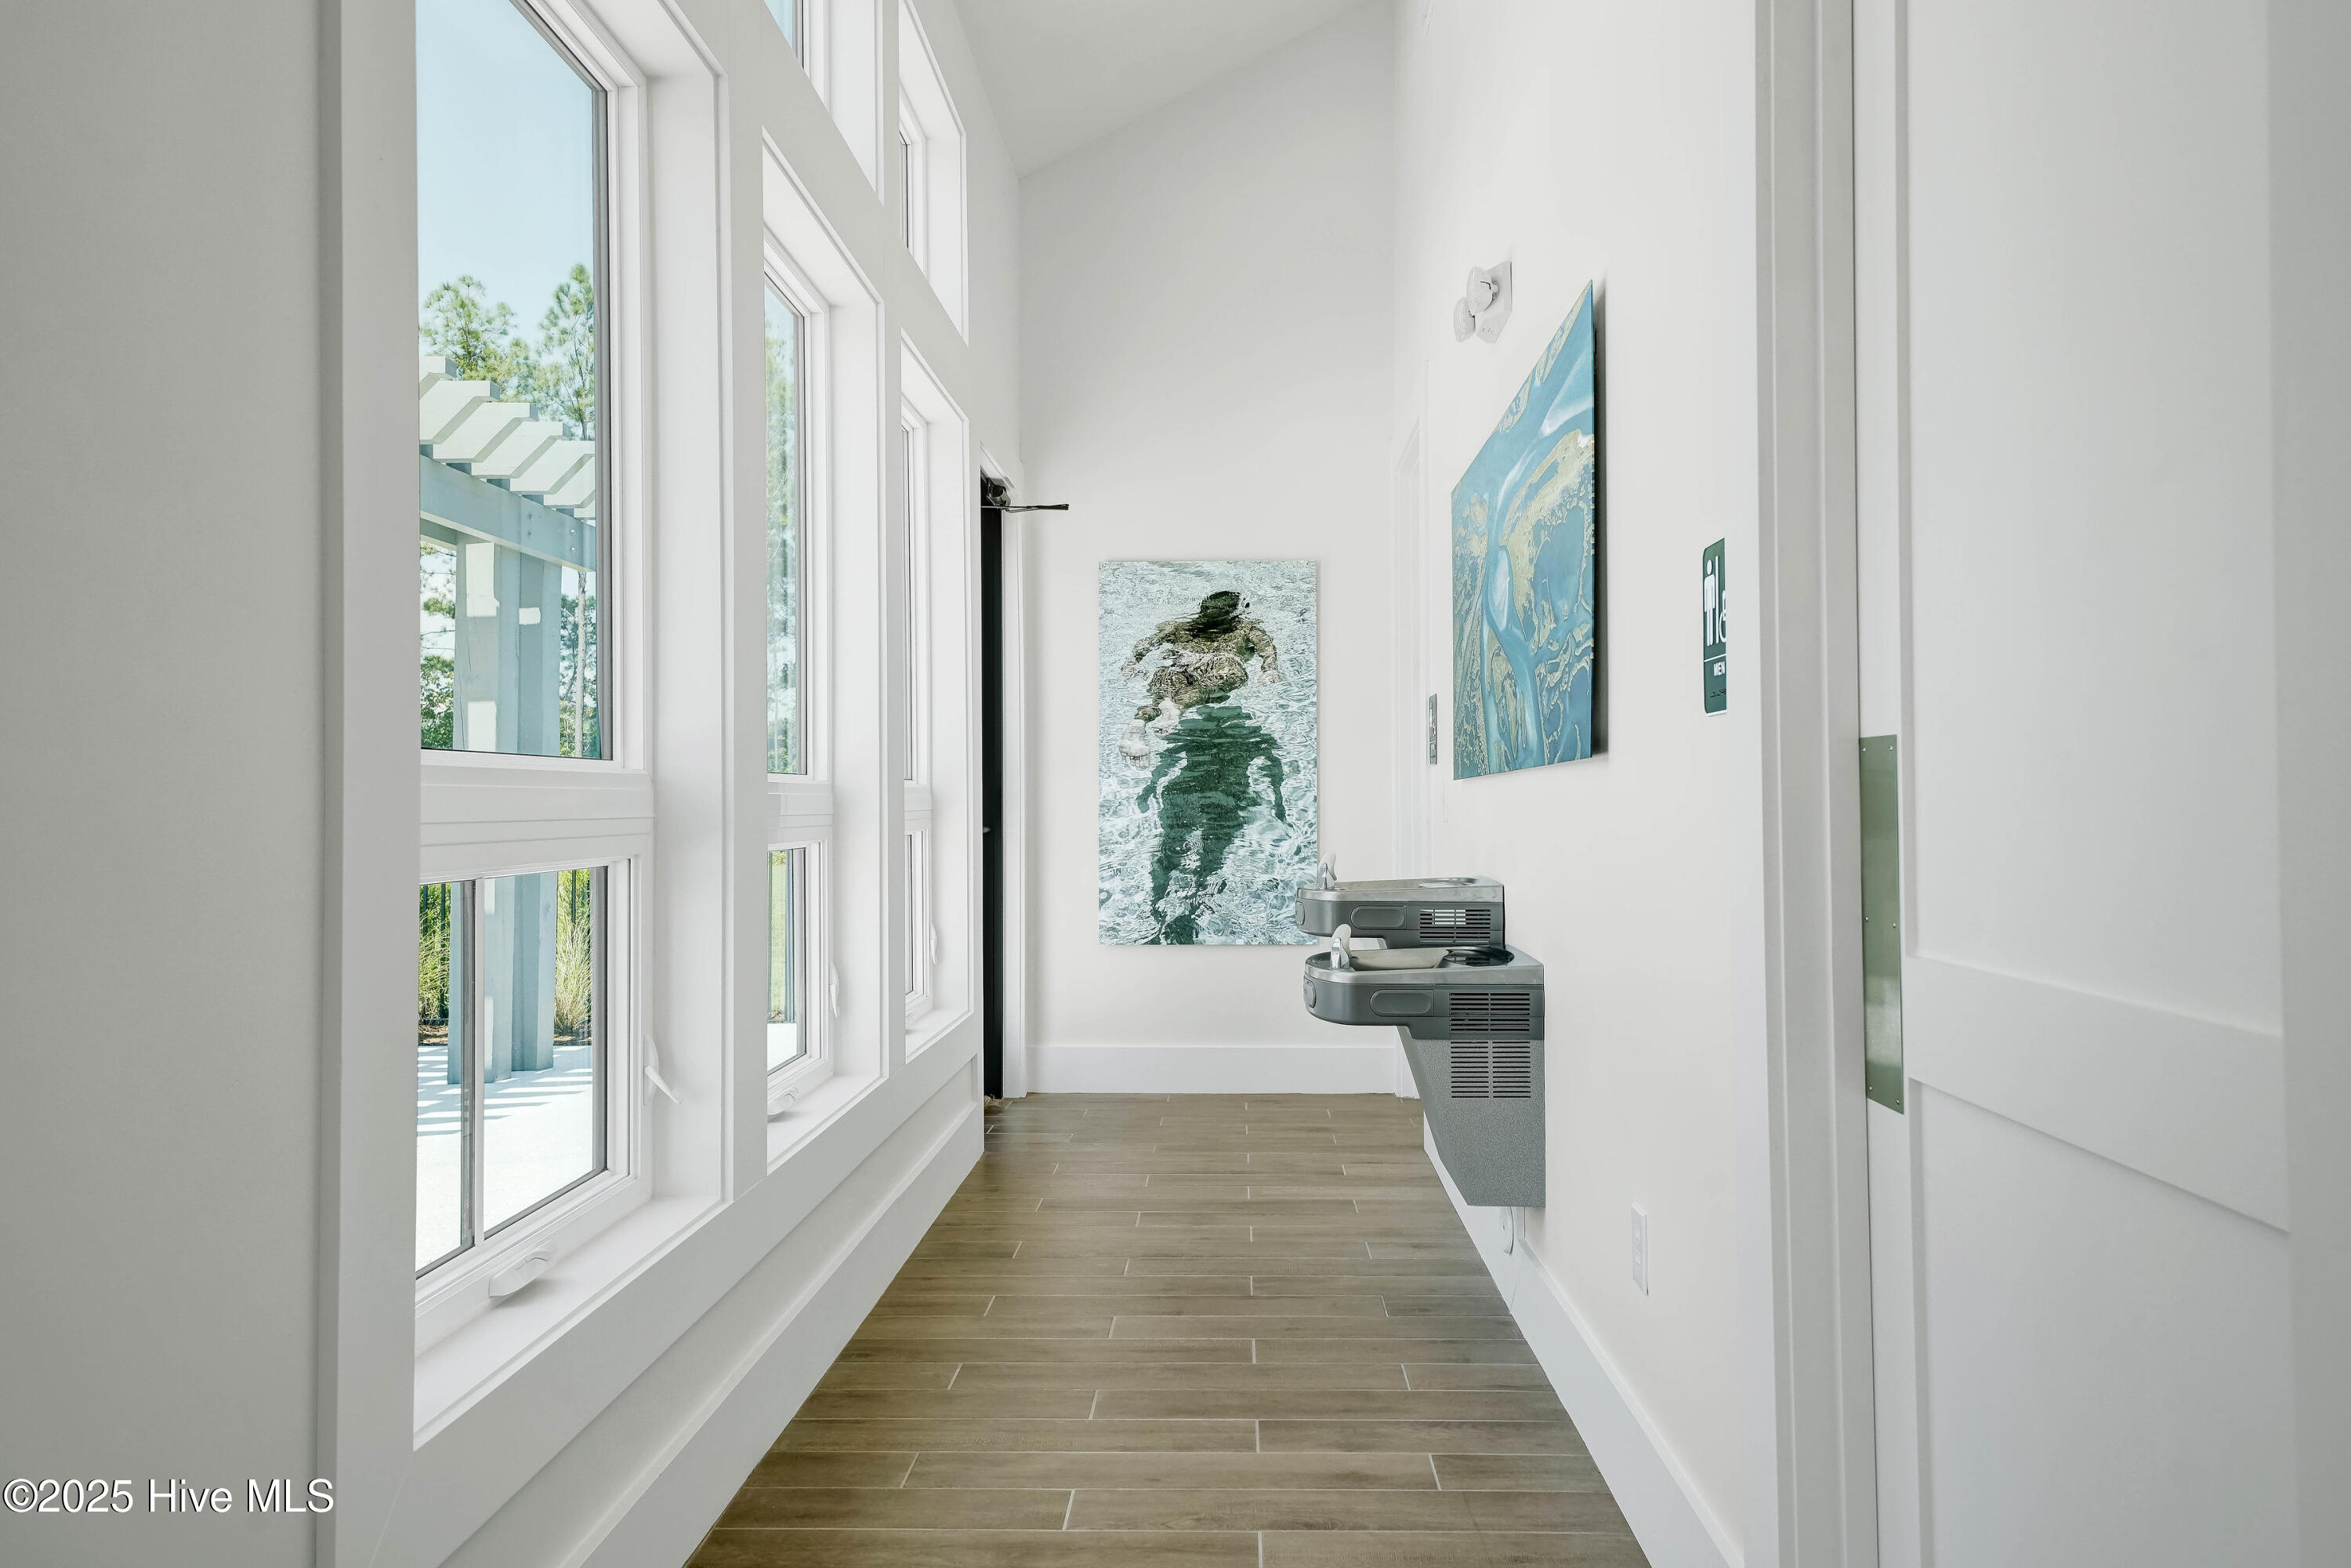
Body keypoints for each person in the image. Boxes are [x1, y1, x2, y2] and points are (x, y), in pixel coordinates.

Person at [1116, 590, 1281, 766]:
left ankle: (1138, 723)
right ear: (1238, 611)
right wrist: (1269, 669)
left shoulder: (1180, 626)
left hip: (1181, 662)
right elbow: (1267, 648)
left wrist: (1132, 661)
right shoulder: (1247, 627)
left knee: (1164, 692)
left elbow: (1149, 642)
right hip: (1222, 661)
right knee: (1225, 678)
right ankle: (1177, 708)